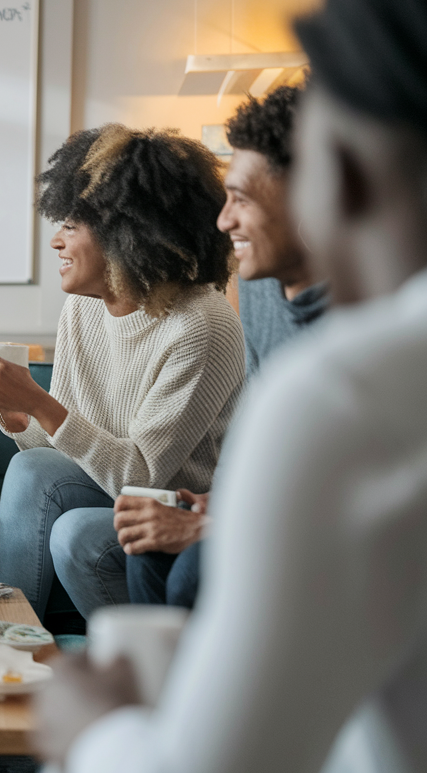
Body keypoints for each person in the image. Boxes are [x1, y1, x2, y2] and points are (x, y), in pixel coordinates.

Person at [37, 0, 427, 769]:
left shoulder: (348, 394)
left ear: (338, 172)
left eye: (239, 195)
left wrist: (91, 728)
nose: (222, 221)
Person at [0, 126, 244, 621]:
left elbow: (140, 477)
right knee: (30, 469)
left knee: (75, 535)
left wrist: (38, 402)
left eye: (71, 225)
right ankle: (4, 637)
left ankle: (134, 659)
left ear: (124, 232)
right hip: (109, 483)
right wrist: (15, 411)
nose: (55, 240)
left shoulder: (201, 324)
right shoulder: (82, 310)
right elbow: (61, 449)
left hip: (170, 505)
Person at [114, 82, 329, 611]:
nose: (223, 219)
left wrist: (225, 526)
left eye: (242, 199)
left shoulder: (370, 311)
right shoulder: (256, 287)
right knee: (145, 550)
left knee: (192, 572)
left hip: (324, 526)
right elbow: (254, 426)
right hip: (266, 505)